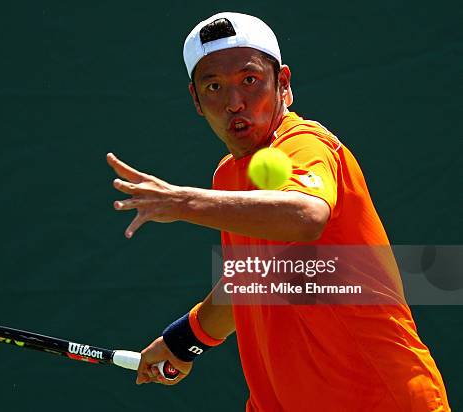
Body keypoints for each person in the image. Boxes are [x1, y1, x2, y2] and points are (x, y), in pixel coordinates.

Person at [106, 12, 450, 411]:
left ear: (283, 84)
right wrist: (185, 340)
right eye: (214, 87)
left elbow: (306, 216)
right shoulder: (228, 176)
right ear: (196, 101)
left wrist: (181, 202)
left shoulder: (306, 143)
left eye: (249, 81)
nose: (234, 102)